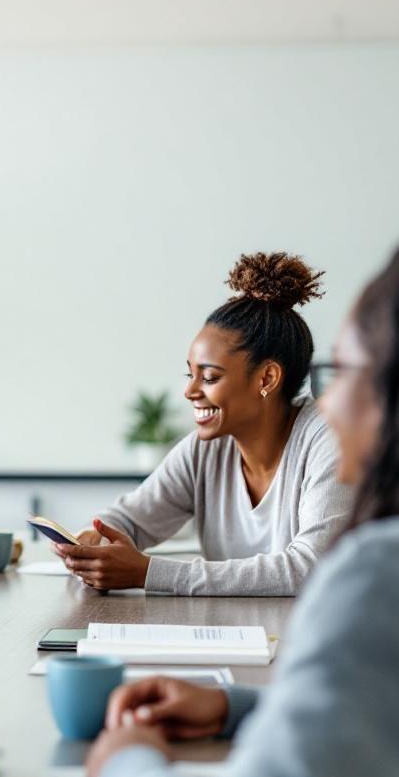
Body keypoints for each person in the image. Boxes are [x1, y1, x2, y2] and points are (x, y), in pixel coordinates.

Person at [86, 229, 399, 777]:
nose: (327, 403)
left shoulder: (394, 577)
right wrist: (238, 708)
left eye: (348, 373)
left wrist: (126, 767)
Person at [56, 252, 352, 595]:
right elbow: (131, 518)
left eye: (209, 377)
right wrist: (93, 539)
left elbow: (312, 567)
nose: (189, 391)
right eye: (190, 374)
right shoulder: (206, 450)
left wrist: (149, 573)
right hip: (229, 639)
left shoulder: (331, 440)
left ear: (267, 378)